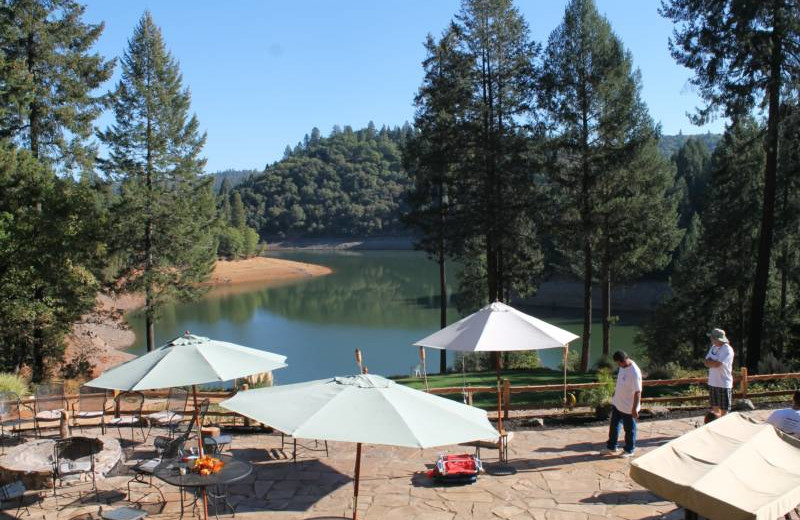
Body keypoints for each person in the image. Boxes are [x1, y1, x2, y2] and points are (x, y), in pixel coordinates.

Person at [605, 350, 642, 458]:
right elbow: (620, 382)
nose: (618, 365)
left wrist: (634, 409)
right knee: (614, 426)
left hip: (628, 407)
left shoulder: (634, 372)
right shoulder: (623, 367)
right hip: (618, 403)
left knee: (629, 430)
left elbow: (638, 392)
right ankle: (612, 446)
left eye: (618, 363)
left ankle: (629, 450)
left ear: (623, 360)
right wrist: (615, 394)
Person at [704, 328, 734, 416]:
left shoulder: (727, 349)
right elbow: (705, 362)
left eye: (712, 337)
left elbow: (718, 364)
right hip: (713, 383)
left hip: (723, 384)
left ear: (717, 338)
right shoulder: (713, 347)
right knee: (715, 412)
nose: (710, 339)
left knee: (724, 413)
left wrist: (711, 362)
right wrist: (711, 362)